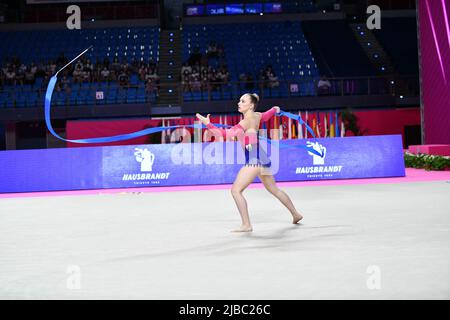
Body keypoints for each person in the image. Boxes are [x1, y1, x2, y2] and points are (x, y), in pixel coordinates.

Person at [196, 93, 303, 232]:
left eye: (243, 101)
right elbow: (268, 114)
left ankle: (246, 225)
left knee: (235, 191)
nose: (239, 103)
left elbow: (223, 134)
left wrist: (207, 123)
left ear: (251, 105)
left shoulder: (245, 122)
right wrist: (275, 109)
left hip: (254, 158)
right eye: (239, 100)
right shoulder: (257, 116)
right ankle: (295, 213)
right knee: (275, 190)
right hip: (262, 157)